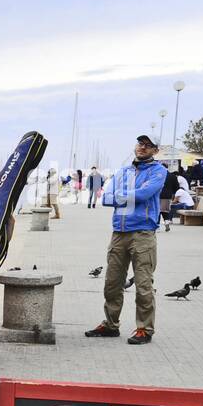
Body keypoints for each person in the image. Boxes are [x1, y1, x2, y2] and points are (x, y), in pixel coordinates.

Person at [85, 134, 168, 345]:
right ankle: (111, 324)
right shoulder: (123, 171)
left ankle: (144, 329)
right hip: (119, 233)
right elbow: (106, 198)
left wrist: (122, 195)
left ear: (155, 151)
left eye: (148, 146)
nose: (143, 148)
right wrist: (130, 194)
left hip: (143, 233)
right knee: (112, 283)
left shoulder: (158, 171)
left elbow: (145, 194)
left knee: (143, 285)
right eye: (141, 143)